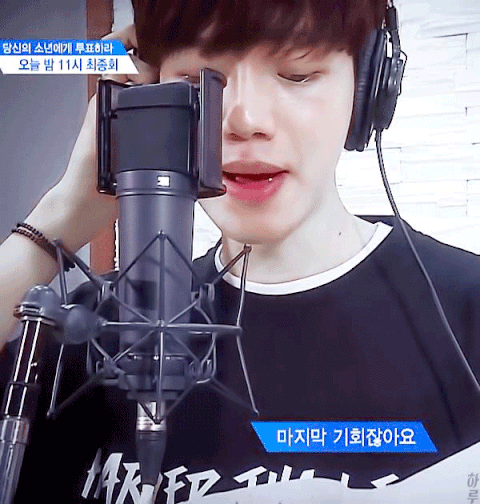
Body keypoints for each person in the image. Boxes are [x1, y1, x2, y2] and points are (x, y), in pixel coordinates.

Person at [2, 0, 480, 502]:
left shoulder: (467, 313)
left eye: (297, 74)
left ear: (366, 92)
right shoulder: (85, 331)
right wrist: (59, 217)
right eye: (198, 80)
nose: (245, 120)